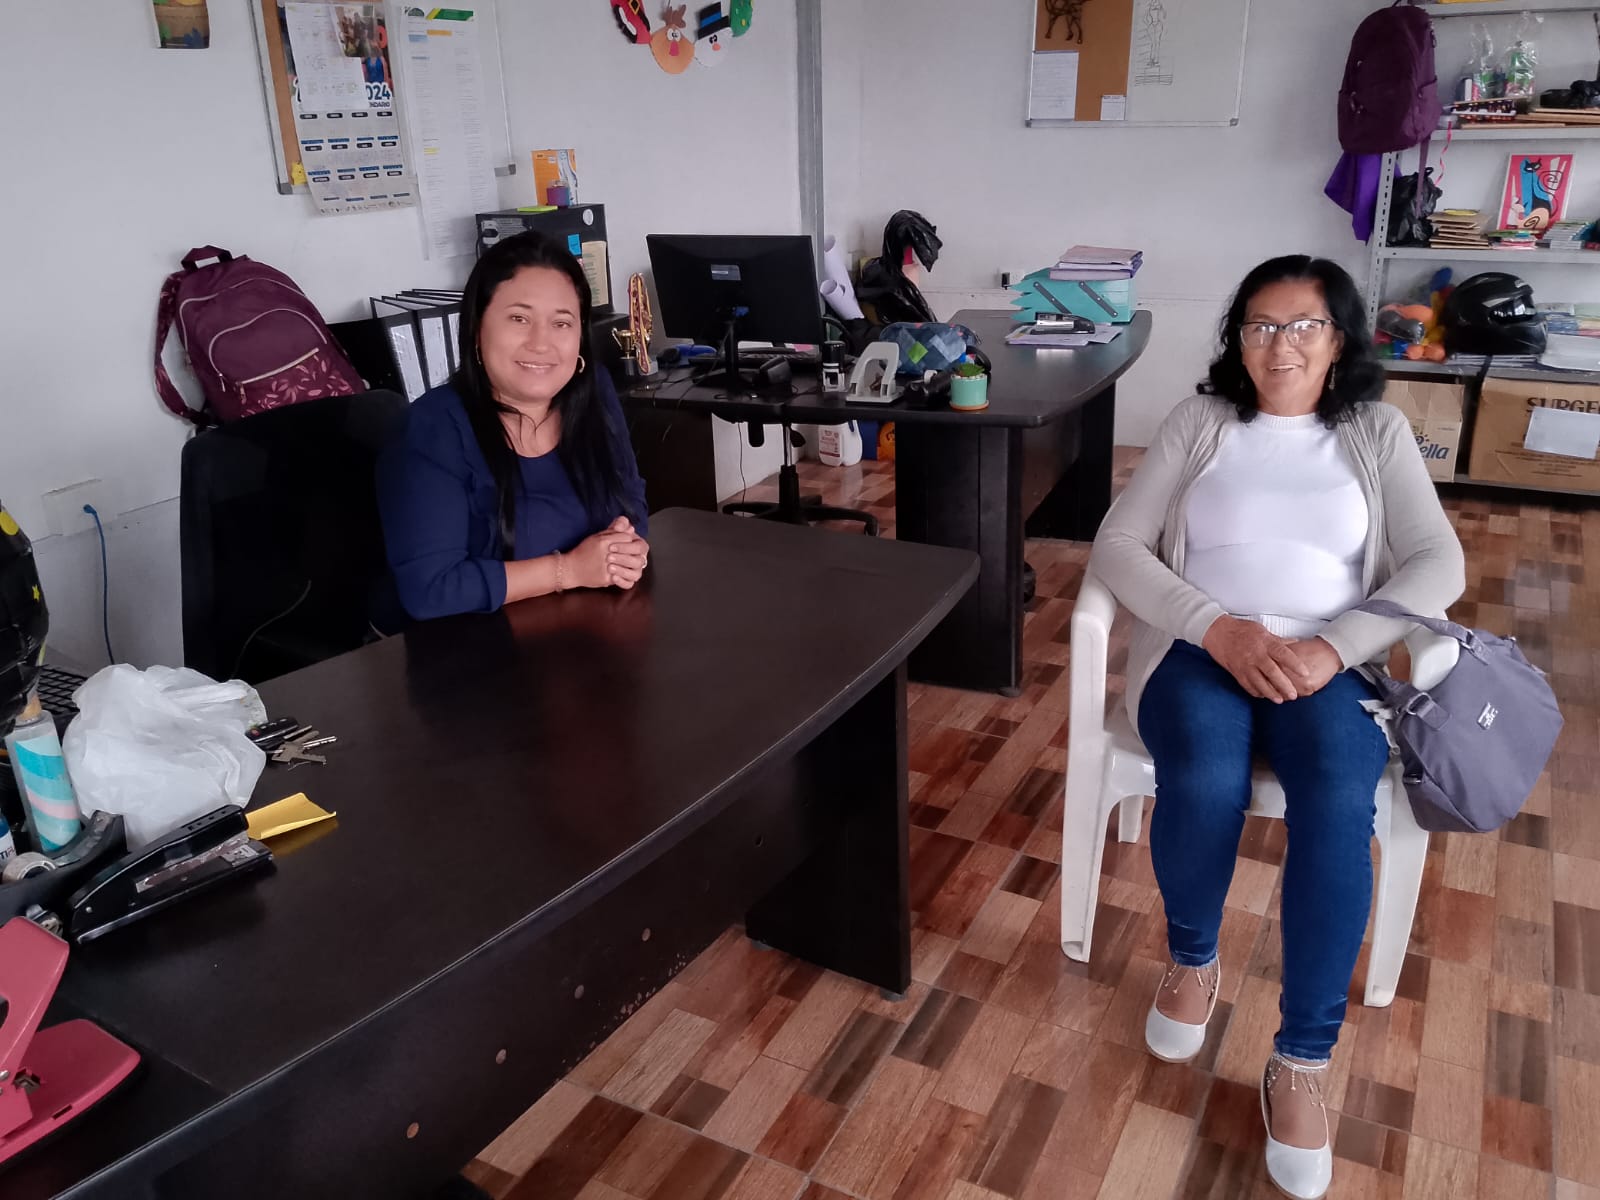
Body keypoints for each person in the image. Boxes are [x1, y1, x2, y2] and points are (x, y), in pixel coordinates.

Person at [1087, 255, 1464, 1200]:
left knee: (1337, 805)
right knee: (1203, 777)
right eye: (1260, 325)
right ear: (1238, 338)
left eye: (1304, 326)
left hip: (1325, 661)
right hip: (1202, 651)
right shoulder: (1201, 421)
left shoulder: (1376, 430)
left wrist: (1337, 647)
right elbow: (1118, 544)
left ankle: (1301, 1059)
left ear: (1339, 340)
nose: (1280, 345)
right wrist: (1216, 627)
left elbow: (1437, 562)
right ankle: (1193, 959)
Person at [379, 231, 649, 621]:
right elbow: (432, 591)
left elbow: (631, 502)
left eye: (561, 323)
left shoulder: (595, 393)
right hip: (467, 645)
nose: (541, 343)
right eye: (519, 318)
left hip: (587, 627)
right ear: (478, 329)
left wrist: (629, 549)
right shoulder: (431, 430)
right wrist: (570, 570)